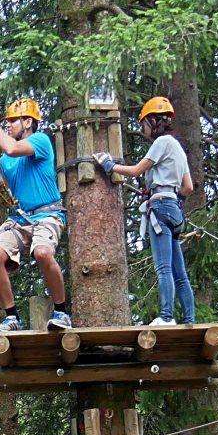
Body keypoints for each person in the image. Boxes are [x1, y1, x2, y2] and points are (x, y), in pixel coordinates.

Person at [93, 96, 196, 325]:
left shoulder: (162, 143)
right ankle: (189, 318)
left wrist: (109, 165)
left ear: (152, 120)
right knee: (180, 274)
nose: (144, 129)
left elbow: (136, 170)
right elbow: (187, 187)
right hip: (175, 211)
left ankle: (167, 317)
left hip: (160, 207)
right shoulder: (178, 148)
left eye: (144, 124)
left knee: (163, 268)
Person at [0, 98, 72, 331]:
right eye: (6, 122)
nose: (8, 125)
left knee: (41, 252)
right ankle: (12, 317)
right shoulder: (6, 161)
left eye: (12, 121)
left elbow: (12, 147)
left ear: (28, 121)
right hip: (21, 218)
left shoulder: (40, 141)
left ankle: (61, 312)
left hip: (48, 214)